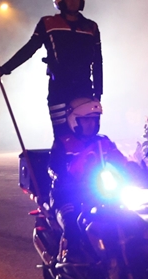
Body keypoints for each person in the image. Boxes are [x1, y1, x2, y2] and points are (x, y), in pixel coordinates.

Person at [0, 0, 102, 144]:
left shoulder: (91, 27)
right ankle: (58, 169)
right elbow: (29, 49)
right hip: (59, 90)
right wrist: (5, 69)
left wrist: (98, 93)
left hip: (85, 90)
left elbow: (98, 62)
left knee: (88, 137)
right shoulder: (48, 23)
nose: (74, 0)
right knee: (62, 137)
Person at [47, 97, 127, 265]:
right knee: (72, 223)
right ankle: (70, 260)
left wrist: (145, 174)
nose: (91, 125)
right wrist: (67, 179)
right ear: (74, 121)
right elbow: (54, 169)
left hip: (97, 191)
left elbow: (122, 162)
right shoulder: (63, 143)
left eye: (94, 120)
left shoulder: (102, 142)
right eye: (85, 121)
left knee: (128, 215)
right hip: (67, 194)